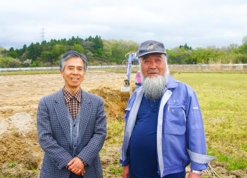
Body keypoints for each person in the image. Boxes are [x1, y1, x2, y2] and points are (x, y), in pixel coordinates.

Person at [120, 40, 214, 178]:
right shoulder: (136, 95)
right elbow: (128, 133)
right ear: (140, 66)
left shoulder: (185, 93)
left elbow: (196, 131)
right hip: (137, 170)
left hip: (170, 173)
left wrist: (196, 170)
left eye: (158, 60)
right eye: (146, 61)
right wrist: (126, 162)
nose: (153, 66)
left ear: (165, 63)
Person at [37, 50, 107, 178]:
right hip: (55, 171)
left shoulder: (96, 102)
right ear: (61, 71)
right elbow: (44, 137)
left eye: (80, 69)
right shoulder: (46, 103)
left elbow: (100, 134)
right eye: (70, 68)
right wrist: (69, 162)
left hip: (88, 171)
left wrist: (82, 159)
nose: (75, 72)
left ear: (84, 73)